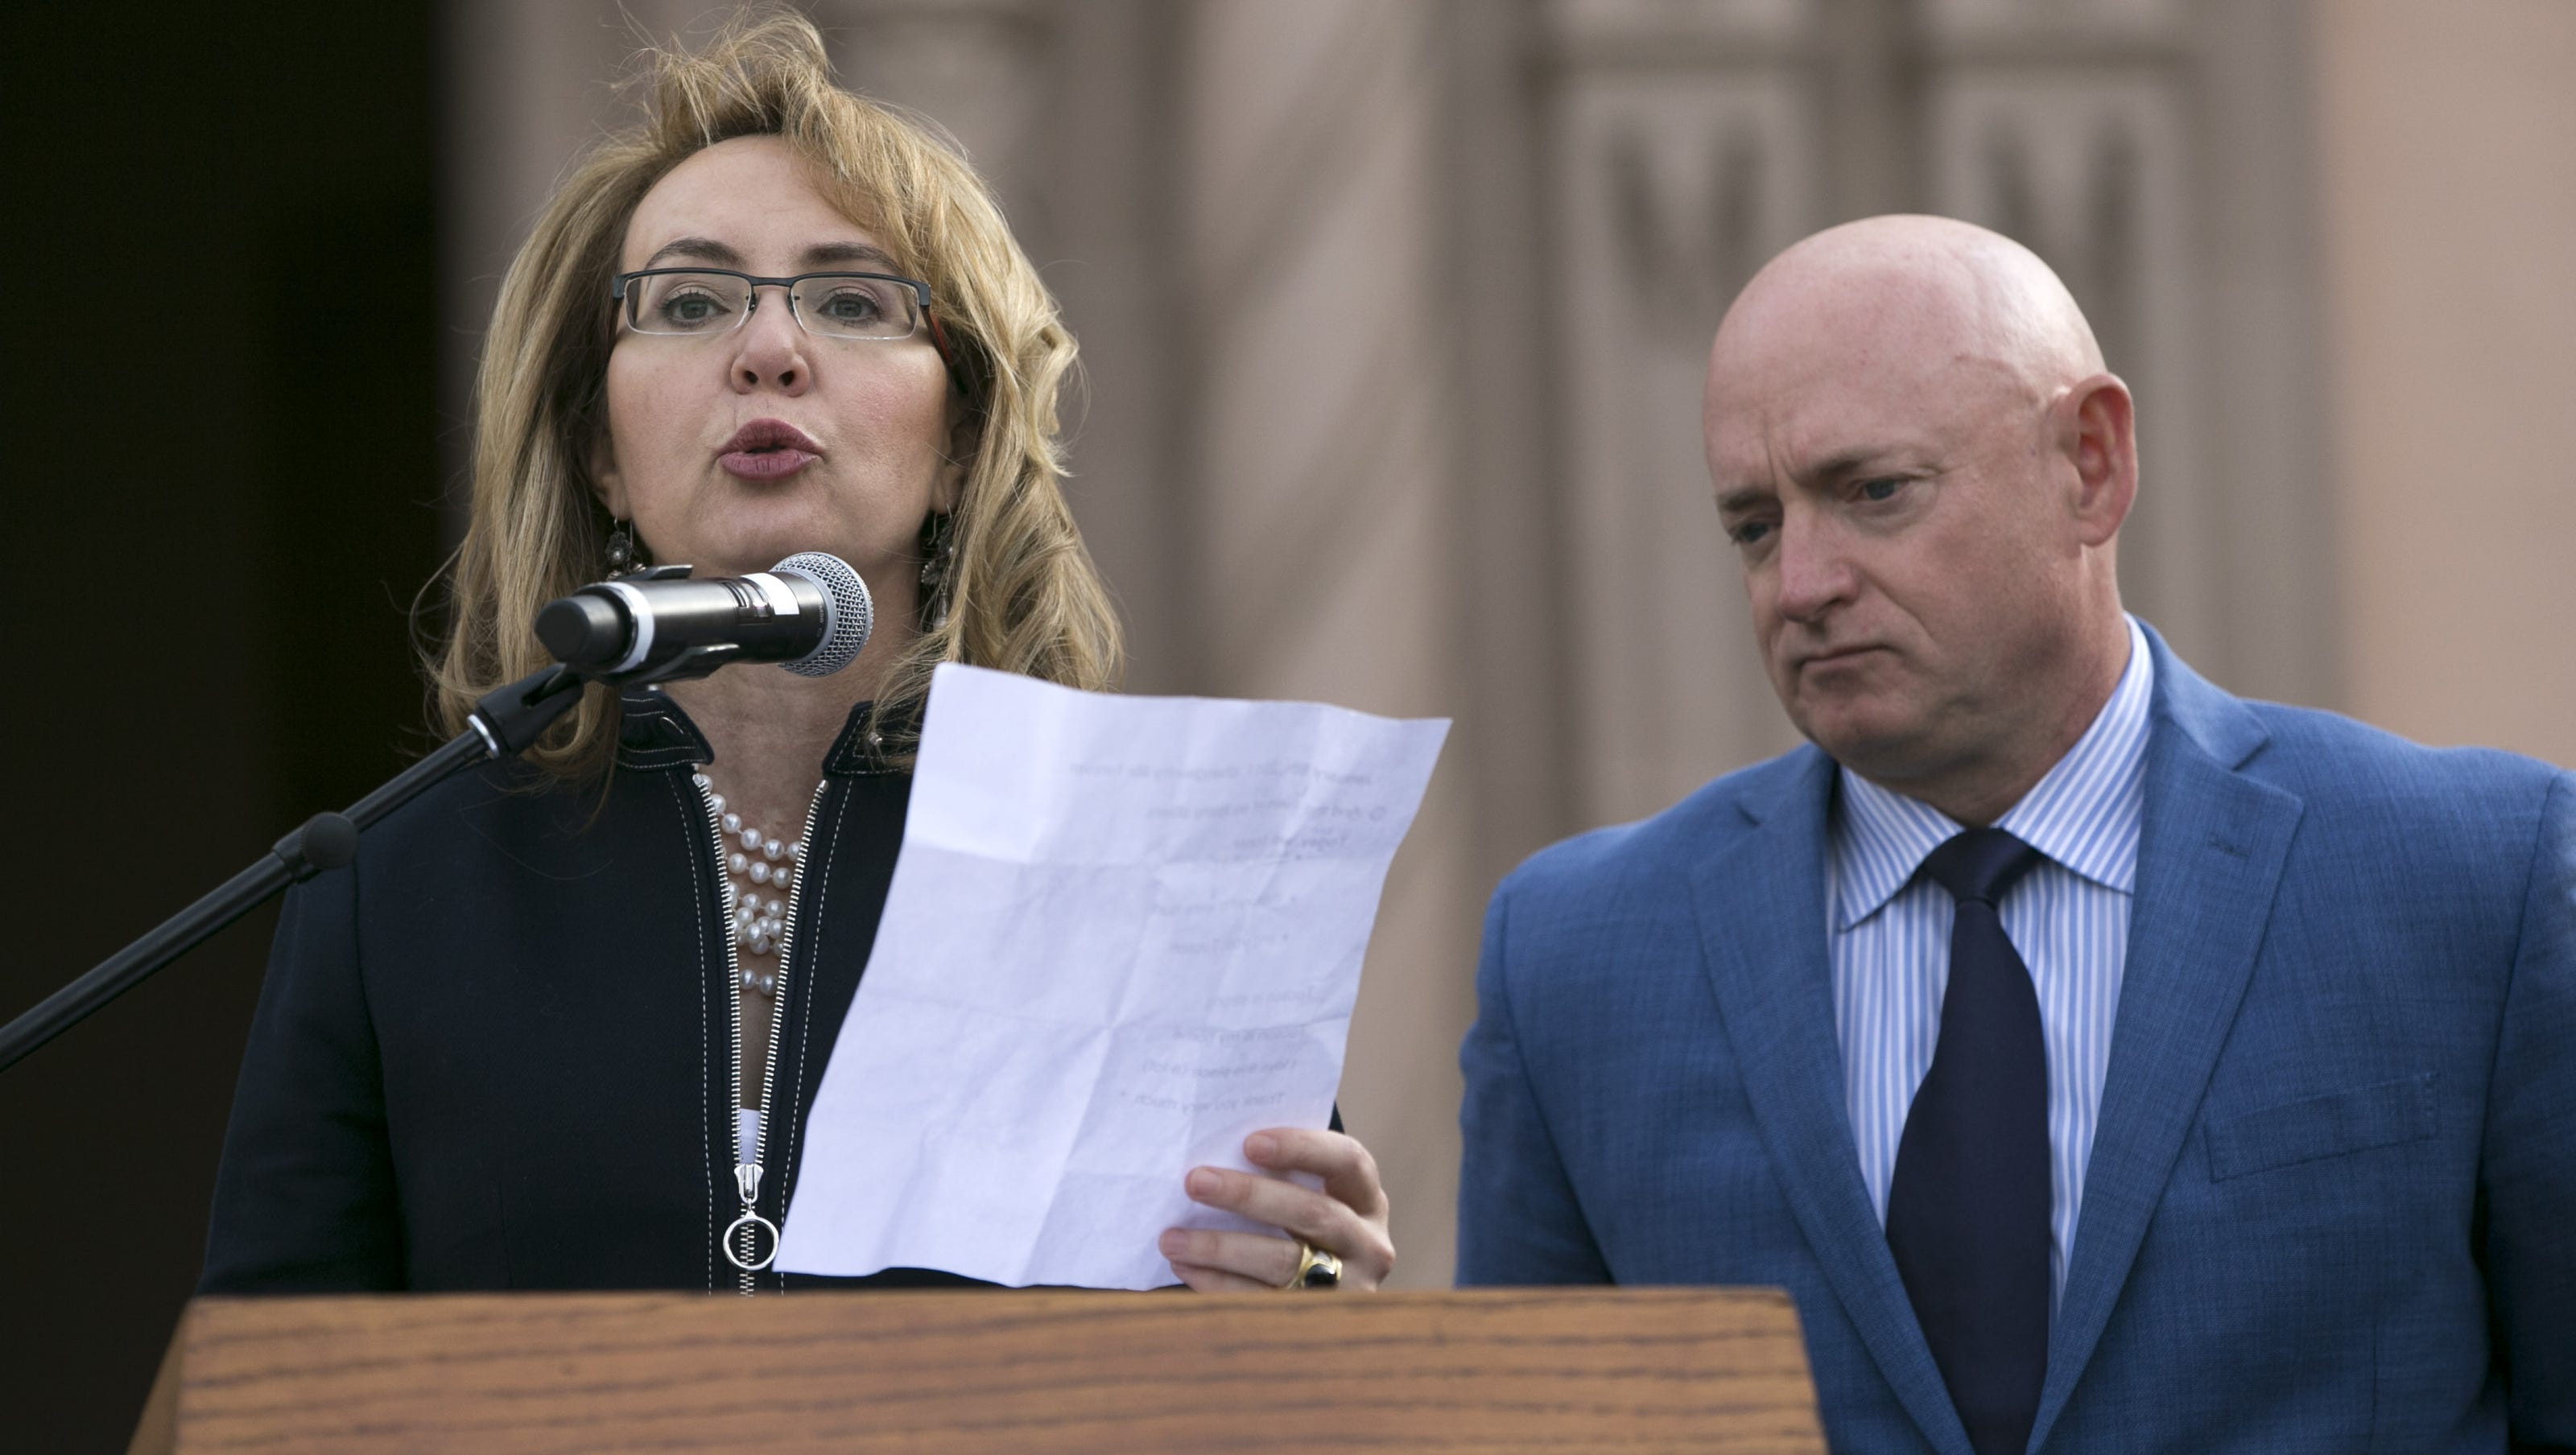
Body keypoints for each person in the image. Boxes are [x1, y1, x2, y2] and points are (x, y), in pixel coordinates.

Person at [202, 14, 1393, 1299]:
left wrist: (1311, 1287)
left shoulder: (1141, 881)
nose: (769, 351)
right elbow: (273, 1383)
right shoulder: (400, 886)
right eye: (692, 301)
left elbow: (1254, 1367)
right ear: (599, 446)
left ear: (958, 442)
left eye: (849, 299)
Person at [1456, 215, 2572, 1451]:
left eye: (1873, 492)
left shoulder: (2474, 879)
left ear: (2088, 465)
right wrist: (1298, 1293)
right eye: (1755, 526)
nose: (1804, 583)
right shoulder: (1576, 958)